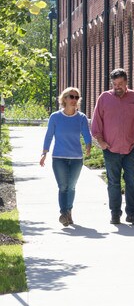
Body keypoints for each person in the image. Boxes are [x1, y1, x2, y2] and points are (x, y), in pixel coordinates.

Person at [91, 68, 134, 226]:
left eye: (120, 84)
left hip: (132, 148)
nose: (117, 87)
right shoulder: (104, 98)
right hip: (111, 149)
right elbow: (97, 121)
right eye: (115, 84)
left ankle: (132, 214)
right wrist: (101, 142)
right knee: (113, 183)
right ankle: (115, 214)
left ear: (126, 82)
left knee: (132, 181)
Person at [40, 87, 92, 227]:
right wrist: (44, 153)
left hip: (76, 158)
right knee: (63, 187)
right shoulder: (55, 117)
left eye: (76, 97)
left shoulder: (81, 118)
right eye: (71, 97)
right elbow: (49, 135)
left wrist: (88, 145)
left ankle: (68, 212)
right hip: (59, 158)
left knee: (71, 187)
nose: (74, 100)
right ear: (64, 99)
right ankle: (64, 213)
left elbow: (86, 133)